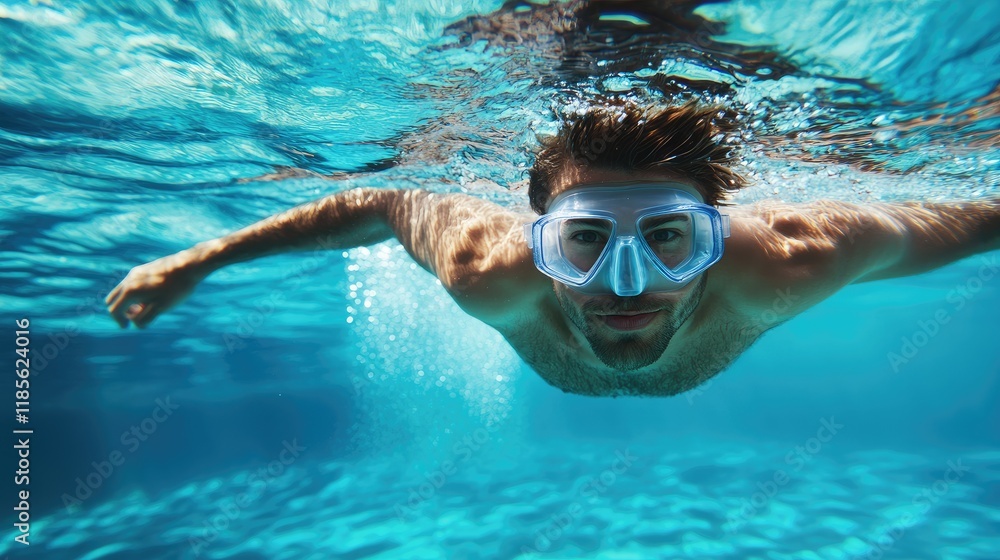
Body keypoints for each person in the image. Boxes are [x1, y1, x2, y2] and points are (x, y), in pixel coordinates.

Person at [105, 102, 999, 397]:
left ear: (714, 240)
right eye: (583, 242)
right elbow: (378, 201)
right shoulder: (487, 268)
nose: (625, 284)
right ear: (541, 245)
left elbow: (961, 220)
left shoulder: (791, 258)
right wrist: (201, 258)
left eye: (667, 238)